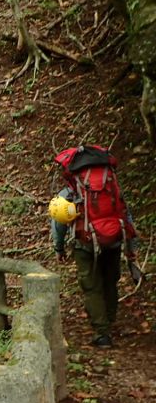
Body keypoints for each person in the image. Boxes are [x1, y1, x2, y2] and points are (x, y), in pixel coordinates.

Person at [50, 145, 141, 348]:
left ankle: (102, 333)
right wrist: (130, 248)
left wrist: (59, 248)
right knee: (110, 282)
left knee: (92, 287)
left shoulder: (71, 190)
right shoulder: (112, 185)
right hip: (114, 240)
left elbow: (58, 222)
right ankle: (109, 321)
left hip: (85, 244)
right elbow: (125, 214)